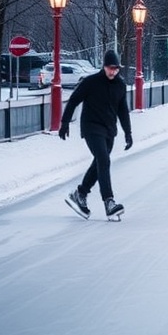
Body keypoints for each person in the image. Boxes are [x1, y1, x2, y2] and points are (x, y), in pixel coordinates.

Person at [60, 50, 132, 221]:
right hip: (91, 127)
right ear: (104, 66)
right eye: (110, 68)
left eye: (115, 69)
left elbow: (123, 111)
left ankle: (80, 193)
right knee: (103, 160)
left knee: (100, 162)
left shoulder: (120, 85)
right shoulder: (91, 82)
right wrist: (64, 123)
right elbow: (74, 100)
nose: (113, 71)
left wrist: (128, 133)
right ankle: (109, 201)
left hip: (109, 130)